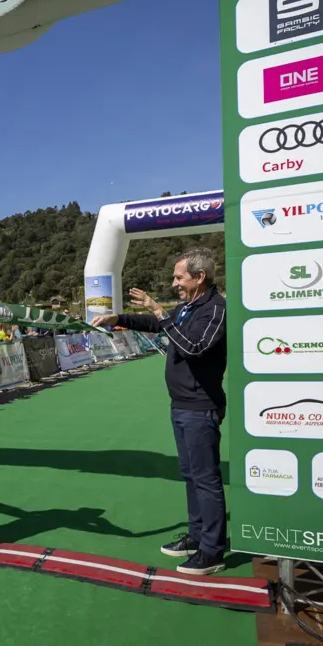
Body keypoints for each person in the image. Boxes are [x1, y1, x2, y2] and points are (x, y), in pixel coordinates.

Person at [91, 246, 227, 576]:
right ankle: (197, 536)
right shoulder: (187, 307)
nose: (174, 283)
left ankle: (212, 551)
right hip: (181, 405)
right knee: (191, 475)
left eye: (179, 277)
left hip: (201, 407)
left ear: (200, 277)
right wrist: (119, 318)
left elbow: (193, 347)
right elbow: (156, 324)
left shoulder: (216, 309)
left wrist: (158, 310)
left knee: (206, 479)